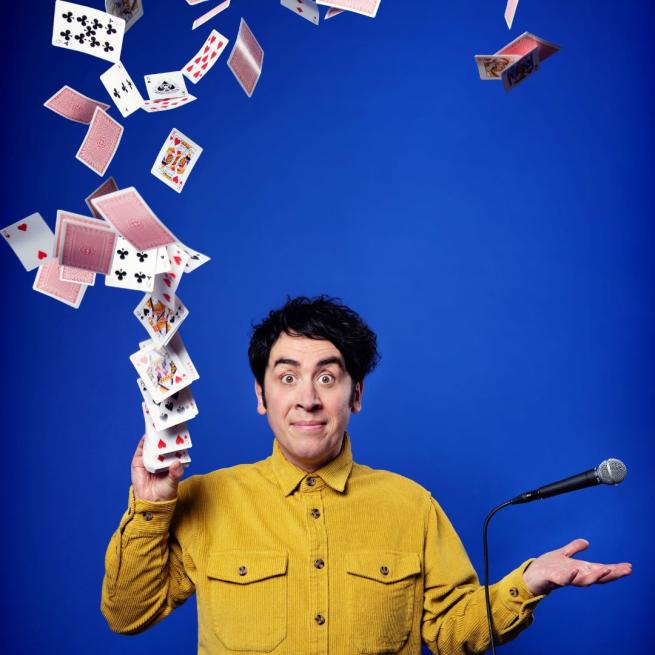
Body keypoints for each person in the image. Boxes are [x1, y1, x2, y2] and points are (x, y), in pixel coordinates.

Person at [101, 295, 631, 654]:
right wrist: (150, 505)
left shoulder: (411, 505)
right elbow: (127, 613)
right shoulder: (205, 499)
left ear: (355, 394)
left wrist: (527, 583)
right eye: (287, 377)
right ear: (261, 396)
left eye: (327, 377)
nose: (307, 398)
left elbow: (451, 631)